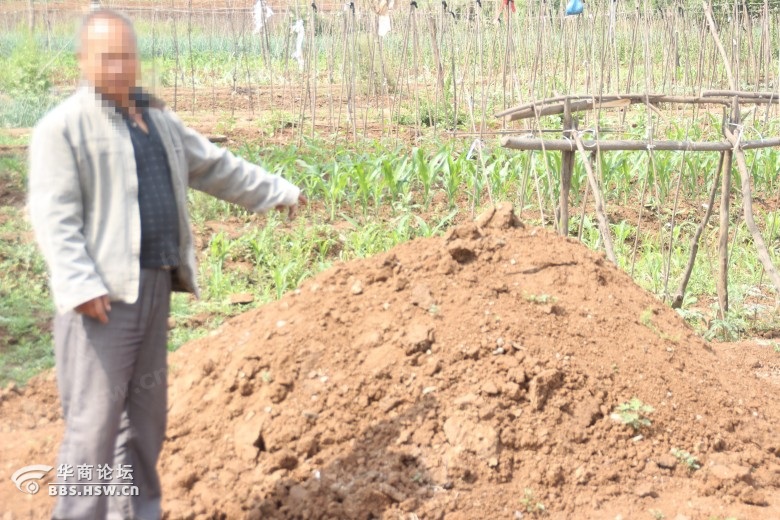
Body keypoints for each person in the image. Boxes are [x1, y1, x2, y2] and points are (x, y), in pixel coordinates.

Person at [27, 8, 305, 520]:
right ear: (83, 61)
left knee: (144, 421)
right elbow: (52, 213)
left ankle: (137, 513)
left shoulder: (157, 119)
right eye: (106, 58)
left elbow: (216, 167)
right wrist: (78, 282)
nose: (118, 67)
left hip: (154, 284)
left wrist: (279, 191)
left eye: (126, 56)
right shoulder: (62, 129)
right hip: (101, 299)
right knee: (93, 426)